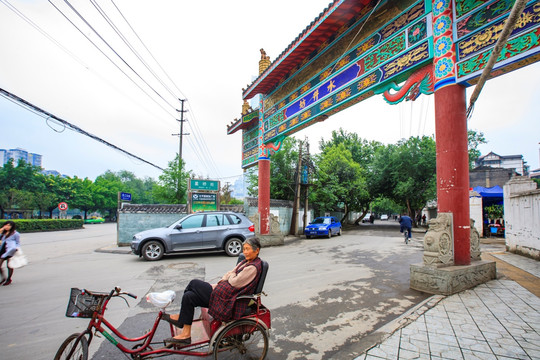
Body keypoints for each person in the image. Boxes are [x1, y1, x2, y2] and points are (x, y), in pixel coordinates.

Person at [162, 237, 263, 345]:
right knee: (189, 296)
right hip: (222, 291)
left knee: (193, 283)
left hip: (226, 299)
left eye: (248, 249)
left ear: (256, 250)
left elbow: (234, 281)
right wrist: (229, 276)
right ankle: (186, 334)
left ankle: (181, 319)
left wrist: (230, 276)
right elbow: (228, 275)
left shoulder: (252, 267)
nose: (245, 252)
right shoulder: (245, 262)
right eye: (244, 249)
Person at [0, 221, 21, 286]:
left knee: (9, 266)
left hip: (11, 250)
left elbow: (18, 242)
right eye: (6, 225)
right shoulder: (3, 232)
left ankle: (9, 279)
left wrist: (17, 248)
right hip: (2, 250)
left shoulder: (15, 233)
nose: (7, 227)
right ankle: (3, 277)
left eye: (9, 225)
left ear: (12, 226)